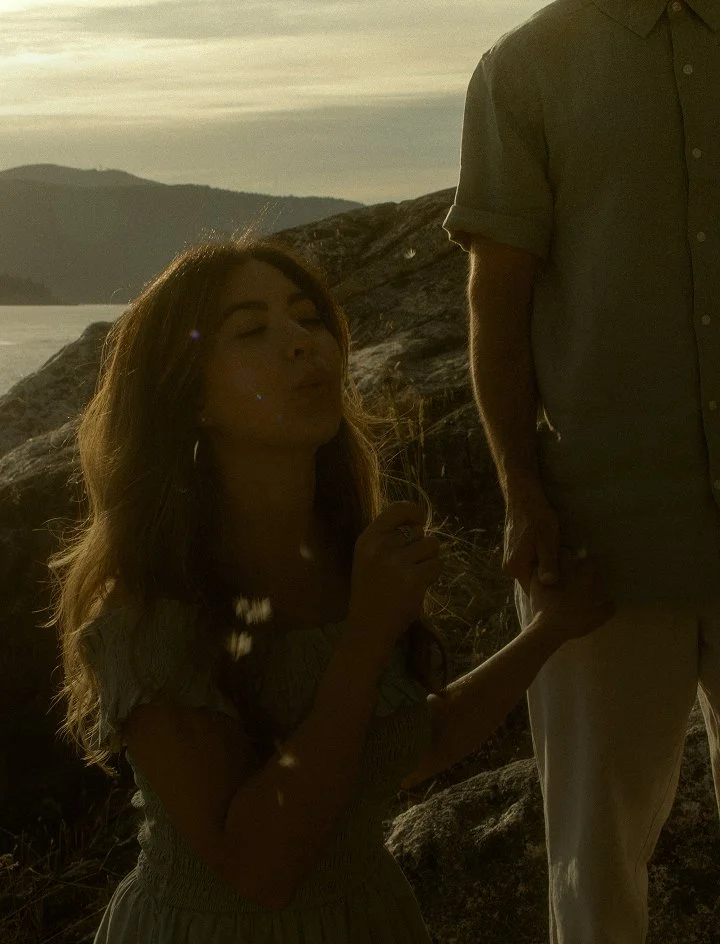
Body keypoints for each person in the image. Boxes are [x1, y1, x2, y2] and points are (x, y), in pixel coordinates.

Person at [49, 239, 613, 943]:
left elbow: (403, 749)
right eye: (252, 330)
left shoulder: (350, 553)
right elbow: (259, 868)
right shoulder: (154, 602)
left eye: (308, 319)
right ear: (188, 396)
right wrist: (366, 634)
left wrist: (548, 631)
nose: (299, 343)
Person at [443, 1, 720, 941]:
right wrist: (521, 490)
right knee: (594, 869)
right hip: (602, 530)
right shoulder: (524, 70)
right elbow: (498, 303)